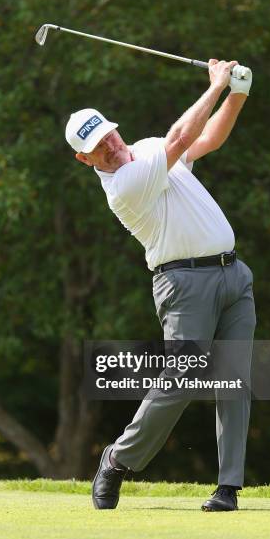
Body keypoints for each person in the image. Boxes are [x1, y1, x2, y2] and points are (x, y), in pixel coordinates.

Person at [65, 59, 256, 511]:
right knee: (183, 378)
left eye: (108, 135)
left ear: (115, 128)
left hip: (233, 275)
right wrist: (215, 86)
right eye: (97, 146)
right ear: (84, 158)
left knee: (235, 380)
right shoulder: (124, 185)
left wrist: (237, 95)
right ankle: (117, 459)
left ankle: (228, 488)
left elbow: (205, 140)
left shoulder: (147, 148)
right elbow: (181, 138)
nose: (109, 146)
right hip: (183, 284)